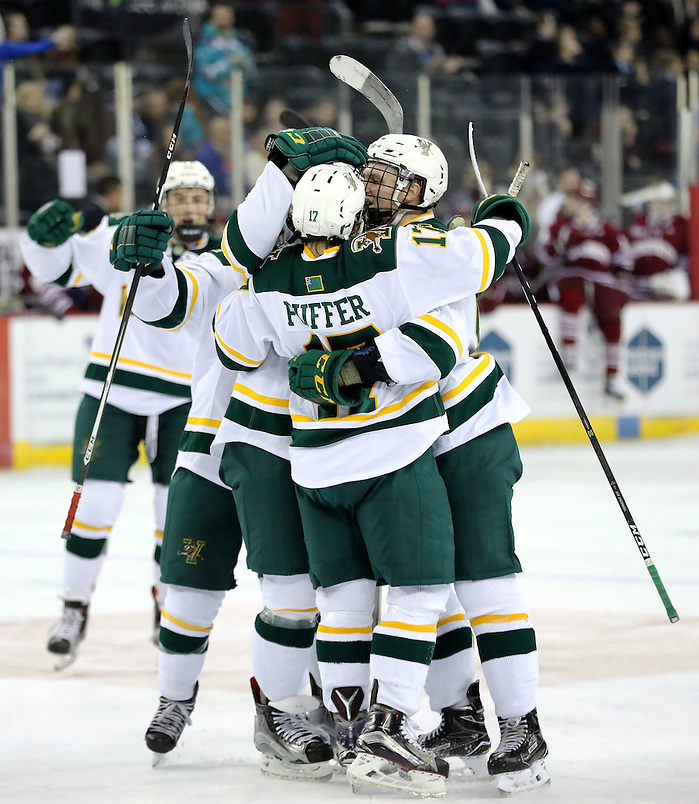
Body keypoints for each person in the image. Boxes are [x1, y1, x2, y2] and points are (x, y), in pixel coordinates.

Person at [211, 160, 526, 796]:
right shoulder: (398, 254)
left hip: (313, 463)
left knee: (343, 600)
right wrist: (504, 222)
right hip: (393, 450)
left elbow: (233, 348)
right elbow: (450, 326)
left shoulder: (267, 281)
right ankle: (394, 724)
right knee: (426, 589)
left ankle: (354, 730)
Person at [108, 129, 369, 777]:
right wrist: (147, 265)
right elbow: (164, 302)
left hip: (292, 454)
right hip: (209, 447)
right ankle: (174, 698)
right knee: (188, 588)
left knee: (293, 592)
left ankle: (282, 707)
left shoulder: (349, 271)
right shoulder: (230, 268)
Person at [353, 134, 549, 796]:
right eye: (369, 174)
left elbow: (487, 250)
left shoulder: (427, 245)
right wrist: (501, 218)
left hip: (466, 426)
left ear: (418, 192)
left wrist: (501, 222)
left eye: (386, 178)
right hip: (407, 438)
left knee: (484, 579)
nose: (371, 185)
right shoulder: (364, 243)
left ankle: (522, 728)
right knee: (423, 580)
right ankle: (460, 718)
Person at [18, 161, 222, 668]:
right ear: (162, 201)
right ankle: (73, 607)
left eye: (199, 198)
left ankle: (164, 609)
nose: (190, 207)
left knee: (170, 518)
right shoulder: (126, 235)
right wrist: (41, 240)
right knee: (94, 509)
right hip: (113, 392)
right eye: (180, 198)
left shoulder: (228, 255)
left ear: (212, 205)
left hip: (184, 402)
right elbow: (55, 267)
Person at [539, 178, 633, 400]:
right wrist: (564, 243)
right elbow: (544, 253)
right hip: (571, 274)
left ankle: (611, 377)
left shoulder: (607, 230)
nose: (569, 202)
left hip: (601, 280)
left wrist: (621, 281)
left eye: (575, 198)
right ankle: (569, 353)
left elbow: (624, 260)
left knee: (612, 320)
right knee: (571, 297)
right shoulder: (560, 227)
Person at [623, 181, 690, 301]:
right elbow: (627, 252)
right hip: (637, 281)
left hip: (664, 281)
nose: (659, 205)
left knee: (681, 287)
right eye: (656, 201)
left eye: (663, 202)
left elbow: (685, 259)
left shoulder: (679, 224)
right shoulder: (639, 222)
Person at [193, 1, 257, 117]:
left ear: (232, 17)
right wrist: (230, 63)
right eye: (220, 16)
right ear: (213, 17)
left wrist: (247, 65)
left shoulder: (240, 41)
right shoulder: (203, 42)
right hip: (210, 101)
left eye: (226, 15)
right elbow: (206, 73)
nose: (223, 19)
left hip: (238, 98)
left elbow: (251, 72)